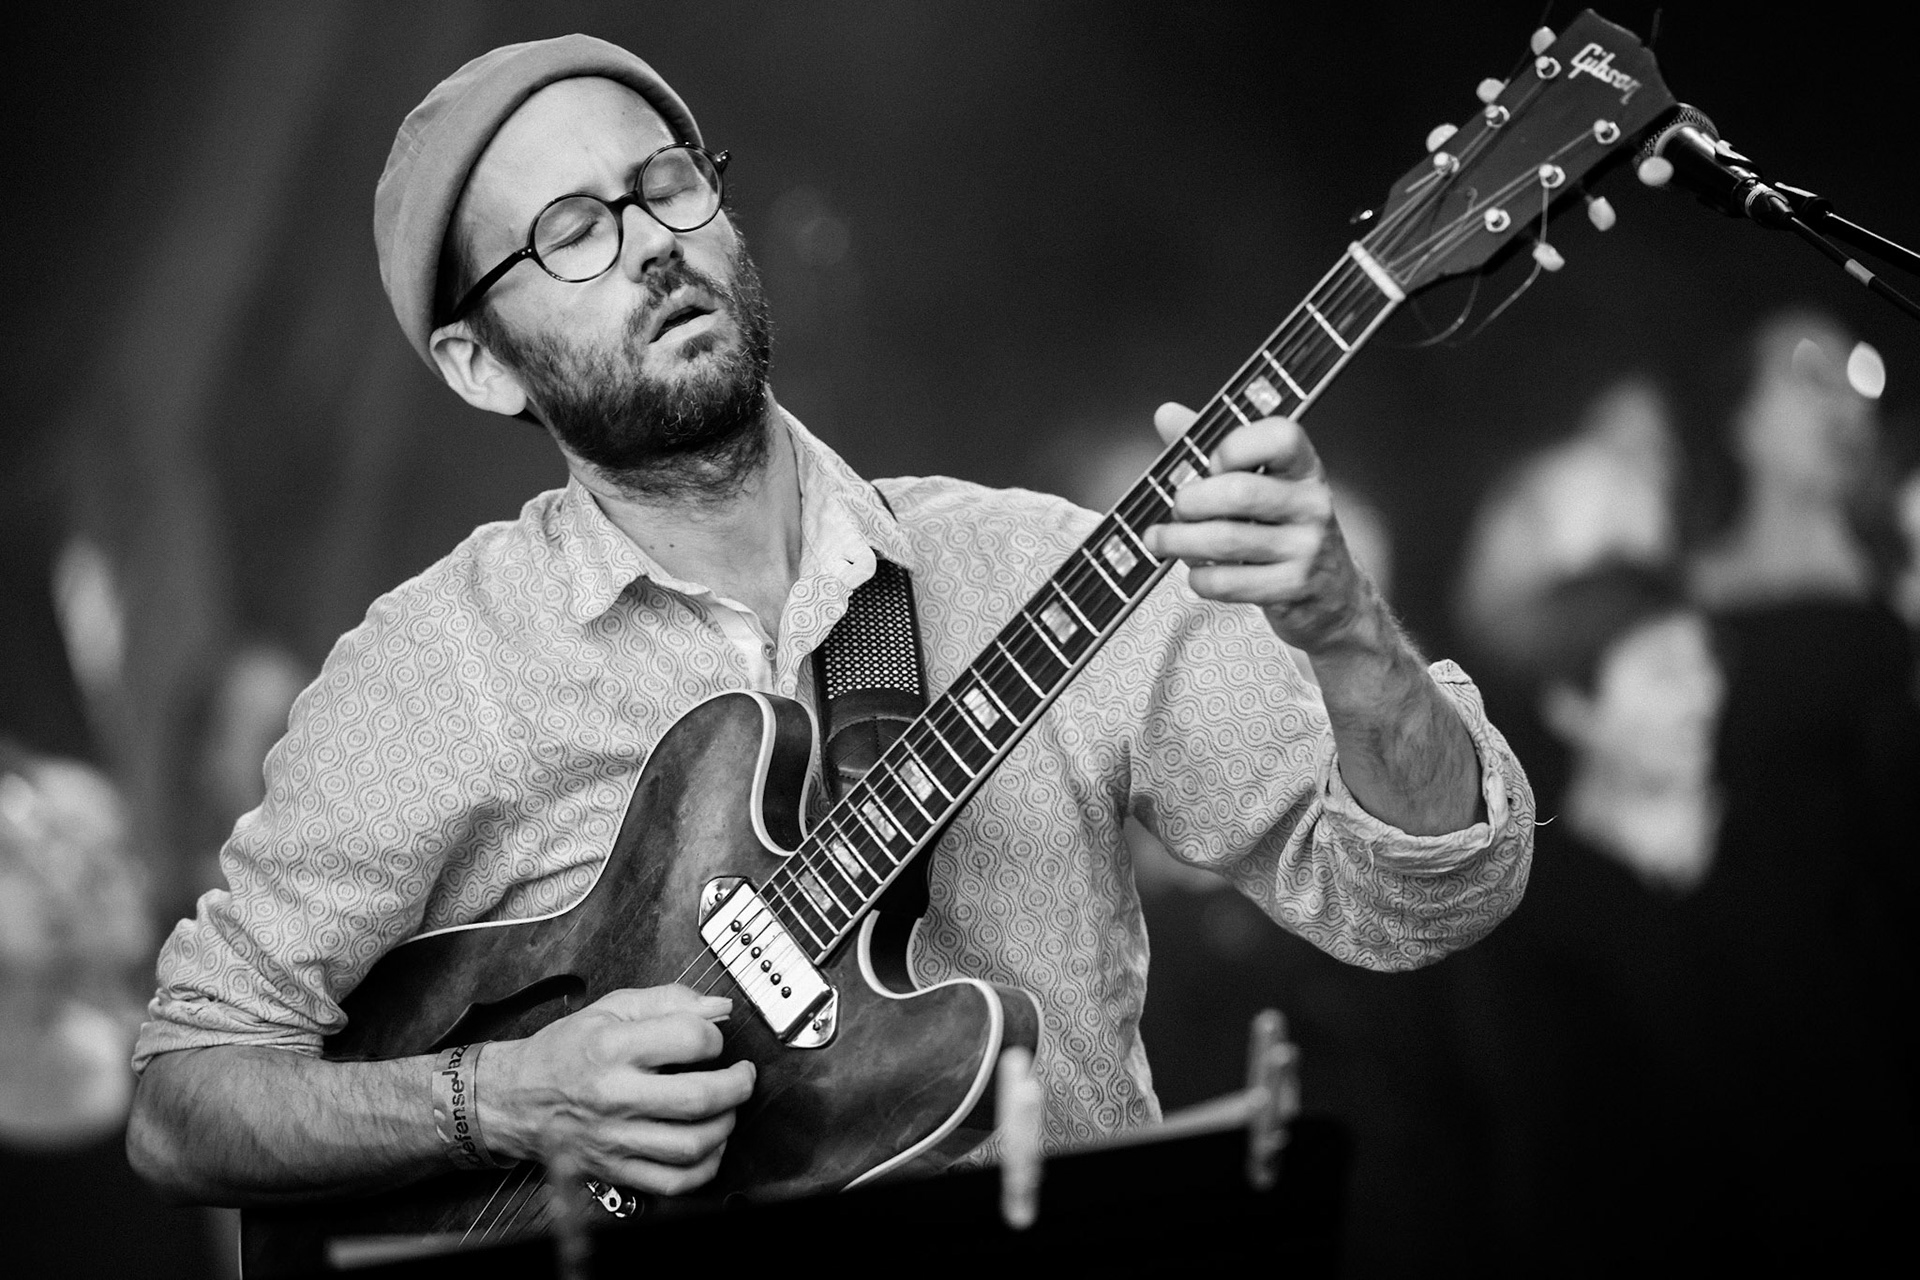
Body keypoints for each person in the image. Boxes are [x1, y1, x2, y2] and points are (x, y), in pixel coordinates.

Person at [125, 34, 1532, 1208]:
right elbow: (186, 1104)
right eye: (571, 233)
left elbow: (1424, 901)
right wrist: (500, 1097)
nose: (651, 248)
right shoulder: (440, 672)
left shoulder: (1033, 567)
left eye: (665, 186)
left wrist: (1350, 637)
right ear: (480, 368)